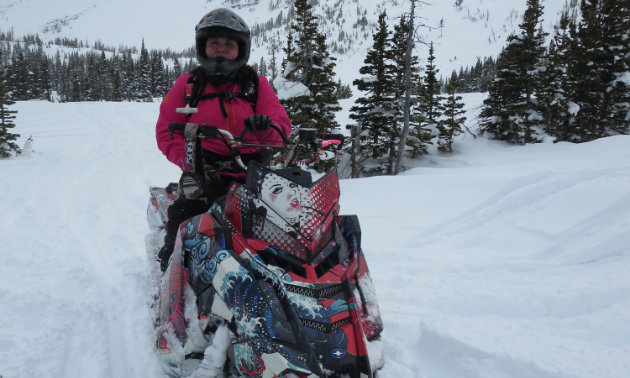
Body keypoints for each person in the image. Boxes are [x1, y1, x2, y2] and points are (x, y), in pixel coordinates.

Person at [155, 8, 292, 271]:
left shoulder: (256, 85)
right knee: (182, 218)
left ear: (240, 50)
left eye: (228, 45)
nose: (221, 50)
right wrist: (193, 164)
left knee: (284, 225)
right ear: (202, 47)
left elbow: (282, 127)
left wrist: (264, 128)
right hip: (204, 172)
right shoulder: (187, 85)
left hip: (252, 172)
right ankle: (172, 272)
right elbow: (166, 133)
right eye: (214, 44)